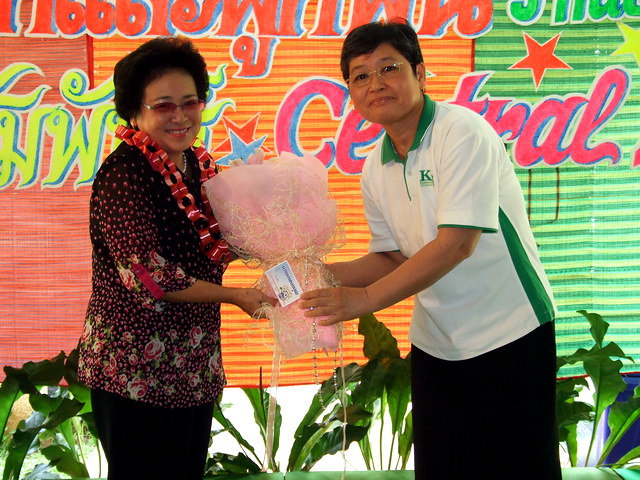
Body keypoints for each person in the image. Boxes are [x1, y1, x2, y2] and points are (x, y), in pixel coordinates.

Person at [300, 19, 562, 478]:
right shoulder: (374, 166)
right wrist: (314, 275)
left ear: (419, 74)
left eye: (389, 68)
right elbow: (391, 257)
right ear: (351, 93)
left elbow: (457, 244)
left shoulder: (462, 132)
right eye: (360, 76)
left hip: (509, 333)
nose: (375, 84)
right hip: (437, 344)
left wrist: (363, 300)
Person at [77, 37, 272, 480]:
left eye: (190, 102)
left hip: (193, 366)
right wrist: (237, 295)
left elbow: (221, 241)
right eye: (164, 105)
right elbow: (149, 275)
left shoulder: (199, 166)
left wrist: (281, 241)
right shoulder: (124, 175)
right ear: (135, 112)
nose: (181, 116)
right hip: (134, 372)